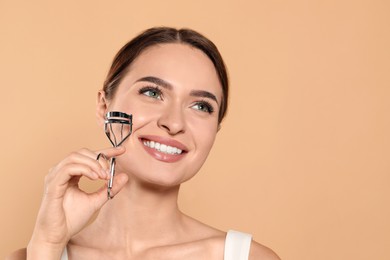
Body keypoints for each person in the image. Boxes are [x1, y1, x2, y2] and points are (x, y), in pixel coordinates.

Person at [8, 27, 280, 260]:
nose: (174, 123)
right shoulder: (35, 254)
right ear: (105, 106)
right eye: (152, 92)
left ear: (216, 129)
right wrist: (46, 246)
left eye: (201, 106)